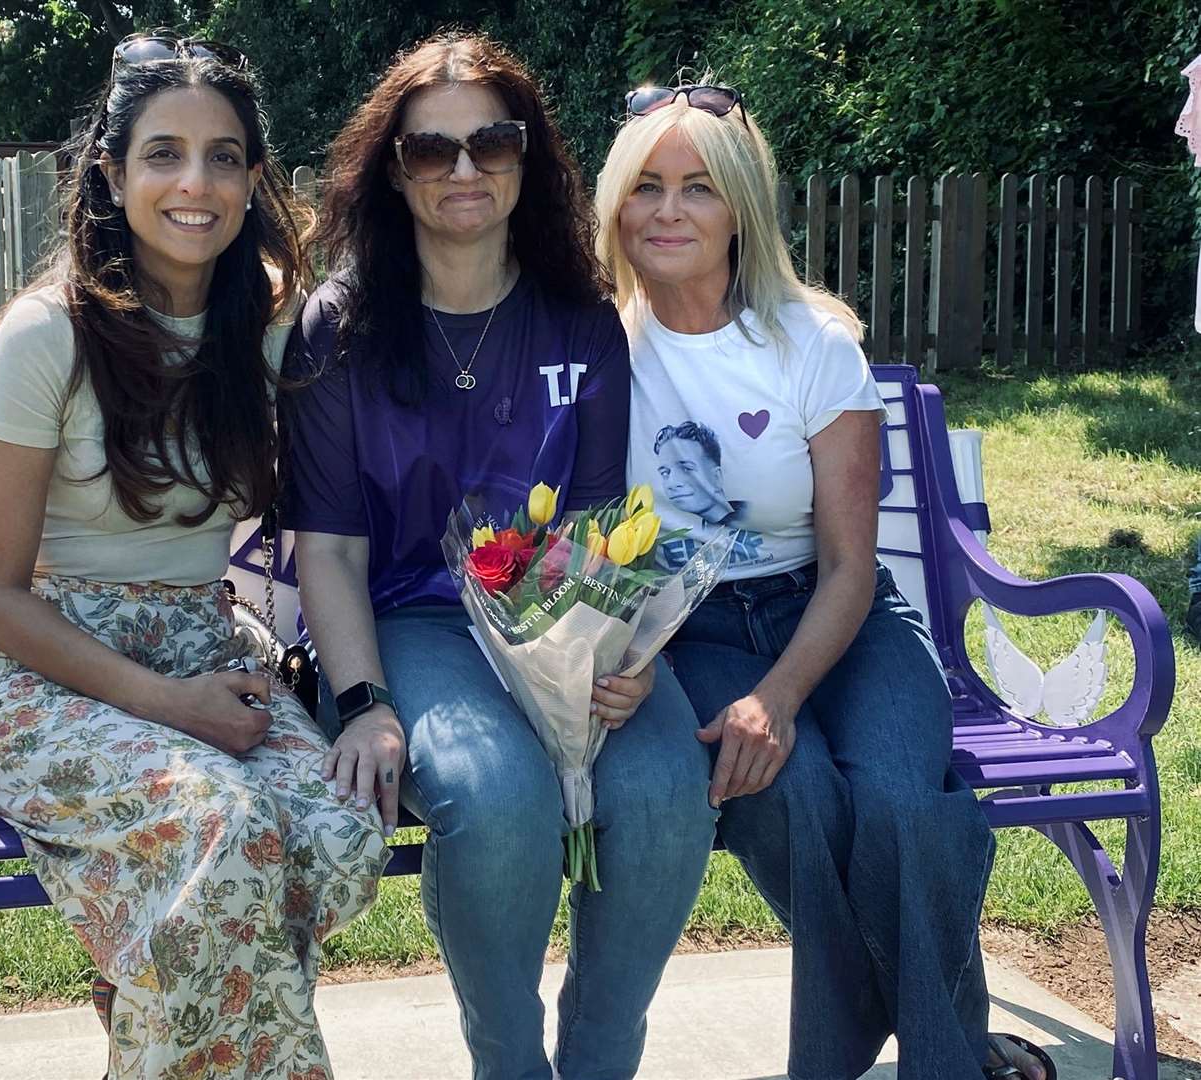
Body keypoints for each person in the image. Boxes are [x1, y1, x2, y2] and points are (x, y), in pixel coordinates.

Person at [0, 37, 387, 1079]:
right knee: (220, 828)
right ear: (110, 169)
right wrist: (164, 702)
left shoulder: (270, 320)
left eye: (224, 157)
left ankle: (144, 984)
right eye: (164, 154)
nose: (196, 184)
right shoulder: (47, 333)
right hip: (41, 666)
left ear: (252, 177)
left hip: (201, 640)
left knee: (336, 828)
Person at [594, 83, 1057, 1080]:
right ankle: (955, 1052)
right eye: (646, 187)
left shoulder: (810, 347)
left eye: (699, 188)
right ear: (613, 205)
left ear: (743, 209)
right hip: (691, 631)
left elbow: (852, 564)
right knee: (790, 795)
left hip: (836, 615)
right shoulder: (592, 352)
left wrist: (781, 694)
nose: (668, 211)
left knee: (898, 804)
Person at [280, 32, 717, 1080]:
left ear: (530, 159)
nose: (465, 171)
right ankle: (509, 1064)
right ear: (393, 170)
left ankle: (601, 1059)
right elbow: (330, 553)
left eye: (493, 142)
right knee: (495, 795)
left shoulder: (580, 321)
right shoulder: (337, 328)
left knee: (662, 792)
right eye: (432, 150)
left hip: (568, 620)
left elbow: (606, 524)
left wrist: (629, 651)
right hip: (417, 620)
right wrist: (364, 700)